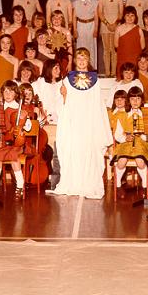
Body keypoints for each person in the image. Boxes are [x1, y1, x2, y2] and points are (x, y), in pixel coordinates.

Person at [49, 48, 112, 199]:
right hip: (74, 124)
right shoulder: (67, 80)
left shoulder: (95, 80)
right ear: (75, 61)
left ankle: (88, 184)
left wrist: (98, 126)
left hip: (89, 124)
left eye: (85, 58)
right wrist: (64, 96)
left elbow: (98, 105)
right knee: (74, 152)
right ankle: (74, 182)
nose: (82, 61)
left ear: (88, 60)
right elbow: (62, 106)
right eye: (79, 58)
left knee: (89, 153)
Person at [110, 86, 148, 197]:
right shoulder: (123, 115)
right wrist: (125, 138)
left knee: (140, 161)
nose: (135, 102)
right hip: (126, 143)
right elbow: (118, 134)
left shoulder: (146, 115)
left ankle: (145, 186)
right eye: (132, 99)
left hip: (141, 144)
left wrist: (143, 136)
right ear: (129, 100)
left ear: (142, 100)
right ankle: (118, 186)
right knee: (121, 161)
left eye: (138, 99)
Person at [0, 80, 26, 199]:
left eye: (10, 91)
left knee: (14, 160)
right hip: (3, 142)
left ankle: (20, 185)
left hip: (16, 143)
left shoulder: (20, 109)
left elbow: (28, 125)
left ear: (16, 94)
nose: (7, 94)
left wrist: (22, 127)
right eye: (5, 91)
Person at [35, 59, 63, 191]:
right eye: (55, 68)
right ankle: (44, 176)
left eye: (59, 68)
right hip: (44, 122)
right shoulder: (40, 84)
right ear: (49, 69)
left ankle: (56, 180)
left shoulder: (61, 84)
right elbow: (36, 100)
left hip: (58, 122)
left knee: (58, 151)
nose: (58, 71)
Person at [97, 0, 123, 77]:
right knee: (107, 50)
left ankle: (114, 72)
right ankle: (107, 72)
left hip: (117, 27)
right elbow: (100, 13)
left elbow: (121, 13)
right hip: (105, 27)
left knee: (115, 50)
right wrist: (107, 24)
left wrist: (115, 24)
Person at [72, 0, 99, 69]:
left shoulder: (95, 2)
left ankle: (92, 68)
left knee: (91, 47)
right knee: (81, 47)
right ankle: (79, 67)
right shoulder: (76, 2)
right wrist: (75, 30)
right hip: (80, 25)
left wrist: (95, 29)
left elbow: (96, 17)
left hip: (91, 25)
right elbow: (74, 17)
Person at [114, 6, 145, 79]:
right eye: (127, 15)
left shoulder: (139, 29)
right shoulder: (119, 29)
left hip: (135, 60)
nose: (130, 18)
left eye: (132, 15)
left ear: (135, 17)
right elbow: (116, 45)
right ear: (124, 17)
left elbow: (143, 46)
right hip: (123, 60)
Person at [47, 10, 73, 75]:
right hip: (52, 57)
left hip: (64, 58)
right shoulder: (48, 31)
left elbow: (69, 47)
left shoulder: (66, 31)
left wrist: (70, 62)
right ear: (51, 20)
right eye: (54, 18)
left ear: (62, 20)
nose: (56, 20)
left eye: (59, 18)